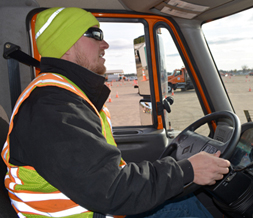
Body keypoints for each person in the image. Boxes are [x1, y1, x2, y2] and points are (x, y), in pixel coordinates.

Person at [1, 7, 230, 218]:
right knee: (184, 207)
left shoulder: (65, 94)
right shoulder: (51, 106)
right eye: (96, 35)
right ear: (67, 46)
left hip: (95, 208)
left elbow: (99, 174)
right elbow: (109, 189)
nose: (105, 44)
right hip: (92, 211)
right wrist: (187, 171)